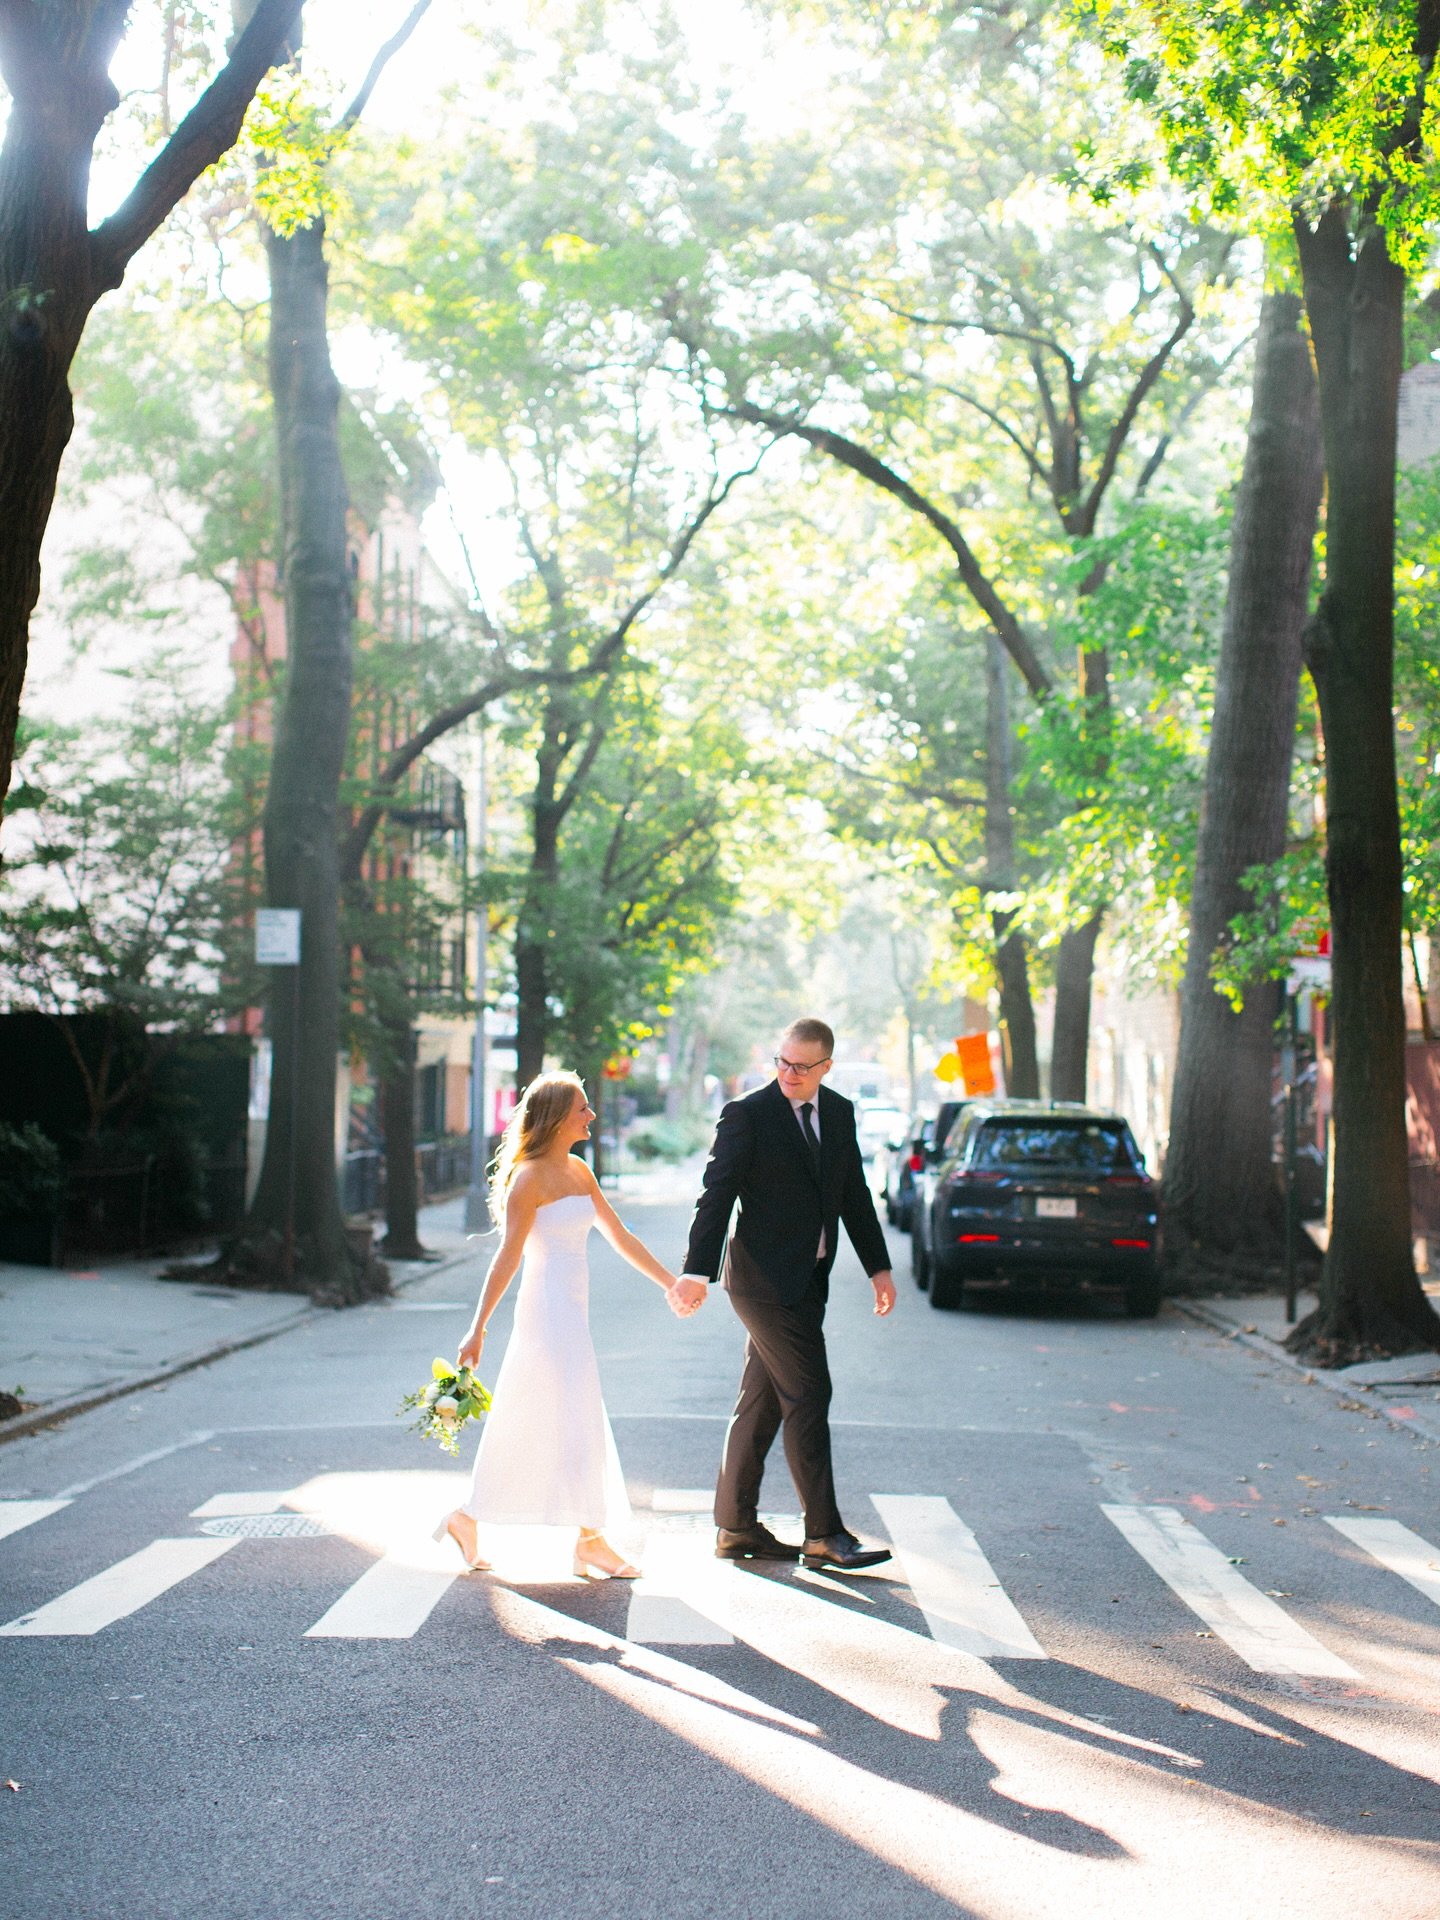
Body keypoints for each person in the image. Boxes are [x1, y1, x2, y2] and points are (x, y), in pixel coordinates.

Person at [432, 1071, 687, 1579]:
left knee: (546, 1418)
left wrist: (670, 1283)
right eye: (583, 1109)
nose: (591, 1115)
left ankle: (476, 1517)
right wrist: (477, 1327)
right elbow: (507, 1257)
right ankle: (587, 1538)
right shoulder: (528, 1179)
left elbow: (621, 1237)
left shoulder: (578, 1171)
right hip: (545, 1316)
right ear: (556, 1118)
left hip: (573, 1314)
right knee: (567, 1416)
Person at [671, 1017, 898, 1572]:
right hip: (761, 1282)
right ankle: (822, 1534)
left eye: (802, 1066)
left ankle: (734, 1525)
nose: (789, 1074)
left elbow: (854, 1195)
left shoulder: (840, 1113)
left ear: (826, 1066)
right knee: (809, 1394)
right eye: (782, 1061)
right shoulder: (748, 1114)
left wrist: (880, 1267)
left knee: (763, 1401)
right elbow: (716, 1195)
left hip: (809, 1279)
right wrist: (696, 1271)